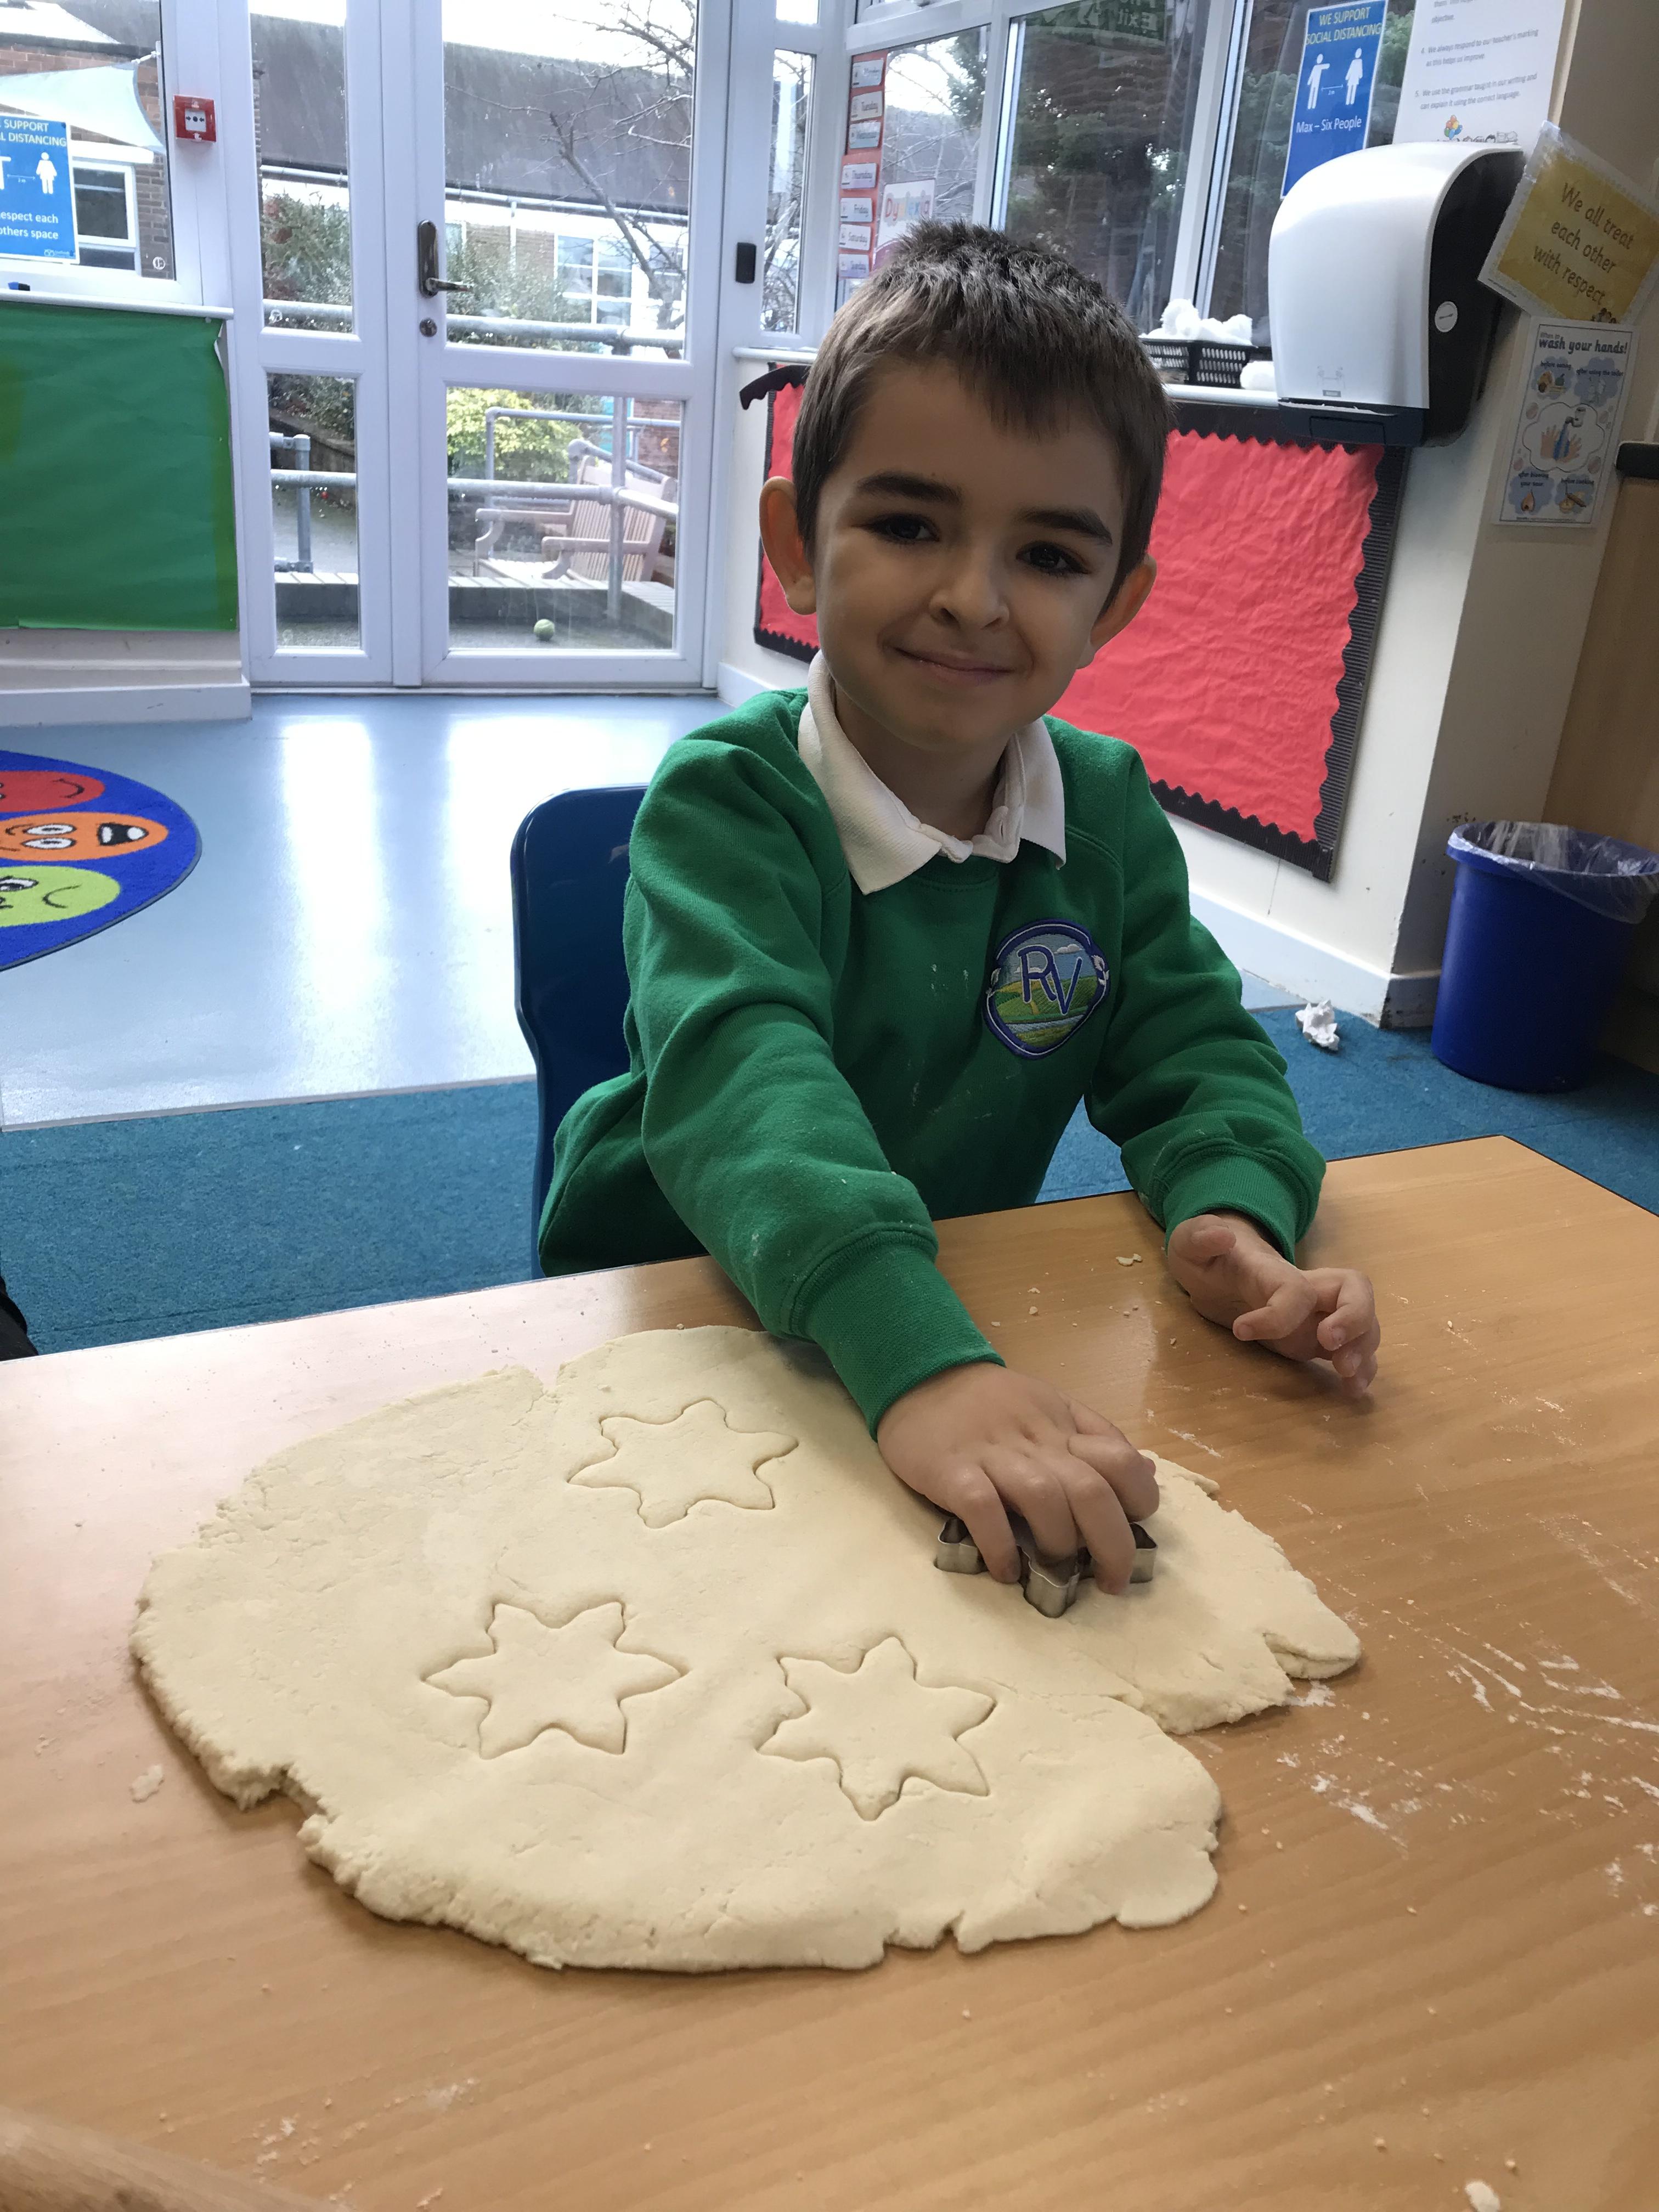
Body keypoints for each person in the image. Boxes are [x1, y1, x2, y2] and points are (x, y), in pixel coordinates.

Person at [540, 223, 1379, 1593]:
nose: (972, 599)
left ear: (1113, 606)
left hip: (932, 1305)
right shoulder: (729, 802)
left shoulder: (1103, 814)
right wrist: (919, 1360)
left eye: (1048, 556)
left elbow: (1198, 1054)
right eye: (909, 525)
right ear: (796, 545)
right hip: (686, 1305)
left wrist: (1234, 1209)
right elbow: (747, 1083)